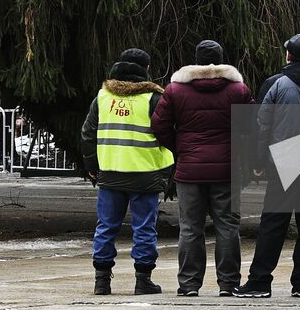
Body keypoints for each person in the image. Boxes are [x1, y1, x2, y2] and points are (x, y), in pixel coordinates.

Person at [234, 34, 300, 299]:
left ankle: (260, 282)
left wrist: (259, 161)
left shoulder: (277, 85)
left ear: (288, 56)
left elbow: (262, 126)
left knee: (273, 223)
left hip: (284, 163)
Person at [151, 39, 252, 297]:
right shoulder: (238, 90)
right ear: (220, 60)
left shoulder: (175, 90)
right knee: (227, 226)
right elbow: (253, 125)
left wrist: (180, 148)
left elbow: (159, 125)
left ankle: (188, 285)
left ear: (196, 60)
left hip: (189, 170)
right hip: (226, 170)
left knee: (190, 227)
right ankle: (228, 285)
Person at [80, 48, 174, 296]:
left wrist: (92, 167)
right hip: (146, 173)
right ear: (146, 70)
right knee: (144, 228)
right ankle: (143, 281)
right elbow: (168, 133)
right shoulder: (153, 99)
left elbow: (88, 134)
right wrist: (169, 167)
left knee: (106, 227)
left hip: (111, 173)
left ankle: (102, 281)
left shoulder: (102, 97)